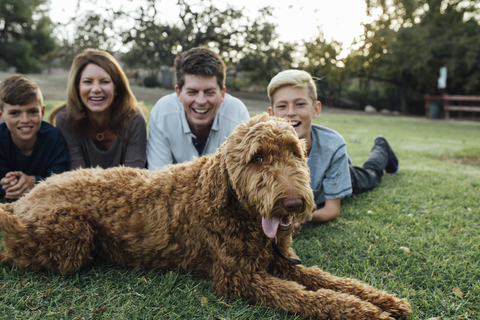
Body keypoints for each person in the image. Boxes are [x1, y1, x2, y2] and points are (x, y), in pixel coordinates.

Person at [267, 70, 398, 228]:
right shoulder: (264, 150)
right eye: (282, 106)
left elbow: (332, 209)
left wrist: (309, 216)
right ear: (271, 114)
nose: (290, 112)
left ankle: (381, 146)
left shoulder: (332, 146)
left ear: (316, 109)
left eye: (300, 104)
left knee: (371, 175)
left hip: (343, 172)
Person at [147, 47, 250, 170]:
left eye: (210, 92)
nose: (201, 101)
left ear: (222, 94)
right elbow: (158, 179)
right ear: (178, 92)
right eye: (192, 92)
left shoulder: (237, 115)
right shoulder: (162, 114)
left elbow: (242, 177)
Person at [50, 49, 147, 170]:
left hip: (127, 188)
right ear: (77, 88)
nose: (96, 89)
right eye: (88, 82)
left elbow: (133, 178)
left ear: (116, 88)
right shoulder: (65, 120)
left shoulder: (135, 119)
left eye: (104, 81)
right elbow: (78, 178)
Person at [0, 75, 69, 199]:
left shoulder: (54, 139)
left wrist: (34, 182)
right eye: (14, 113)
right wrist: (8, 185)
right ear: (1, 116)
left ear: (42, 112)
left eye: (32, 112)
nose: (25, 120)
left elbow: (60, 180)